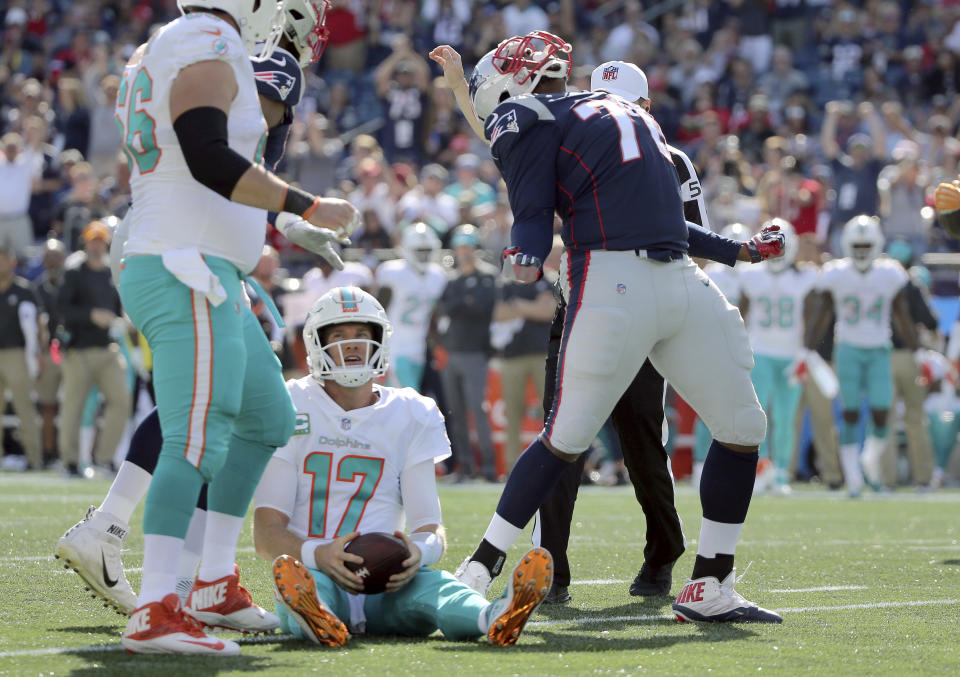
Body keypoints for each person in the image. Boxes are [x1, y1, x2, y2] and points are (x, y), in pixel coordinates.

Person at [451, 31, 782, 624]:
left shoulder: (525, 117)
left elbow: (531, 220)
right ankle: (480, 566)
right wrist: (739, 252)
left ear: (512, 79)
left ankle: (709, 583)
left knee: (575, 436)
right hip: (667, 280)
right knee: (715, 429)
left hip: (619, 282)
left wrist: (523, 257)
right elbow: (665, 223)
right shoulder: (628, 115)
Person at [54, 3, 341, 640]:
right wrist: (302, 207)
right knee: (195, 431)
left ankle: (209, 580)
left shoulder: (187, 41)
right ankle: (158, 604)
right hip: (186, 255)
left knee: (265, 415)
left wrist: (285, 219)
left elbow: (221, 160)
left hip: (201, 250)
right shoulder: (215, 42)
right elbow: (214, 157)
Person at [252, 286, 552, 647]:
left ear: (379, 341)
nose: (351, 345)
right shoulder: (291, 403)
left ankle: (494, 616)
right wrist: (320, 554)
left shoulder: (412, 411)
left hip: (387, 580)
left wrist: (417, 553)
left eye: (362, 335)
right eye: (338, 335)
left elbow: (430, 527)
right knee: (303, 589)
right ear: (317, 343)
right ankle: (318, 615)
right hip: (316, 570)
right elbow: (267, 532)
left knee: (437, 587)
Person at [803, 216, 919, 497]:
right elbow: (820, 312)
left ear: (877, 243)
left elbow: (902, 313)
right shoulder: (837, 273)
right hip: (849, 349)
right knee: (850, 413)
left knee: (881, 412)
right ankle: (854, 479)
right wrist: (807, 347)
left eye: (867, 244)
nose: (863, 250)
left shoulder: (889, 273)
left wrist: (916, 349)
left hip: (880, 347)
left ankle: (869, 461)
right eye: (858, 244)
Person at [738, 220, 818, 494]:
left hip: (790, 356)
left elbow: (811, 318)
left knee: (786, 419)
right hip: (759, 352)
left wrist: (805, 353)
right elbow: (739, 314)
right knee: (760, 417)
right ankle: (761, 470)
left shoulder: (804, 278)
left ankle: (782, 472)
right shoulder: (751, 276)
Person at [56, 221, 130, 476]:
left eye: (101, 240)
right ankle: (71, 461)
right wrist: (91, 315)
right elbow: (62, 309)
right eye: (93, 240)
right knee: (73, 407)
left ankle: (104, 458)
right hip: (80, 350)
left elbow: (120, 308)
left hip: (108, 348)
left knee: (121, 401)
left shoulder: (112, 273)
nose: (97, 245)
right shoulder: (75, 272)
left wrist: (122, 320)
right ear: (86, 243)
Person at [435, 224, 498, 481]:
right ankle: (466, 468)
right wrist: (465, 302)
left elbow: (482, 307)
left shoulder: (488, 277)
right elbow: (447, 307)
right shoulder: (452, 279)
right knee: (456, 413)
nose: (464, 252)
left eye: (468, 247)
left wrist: (463, 303)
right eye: (460, 247)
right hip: (453, 352)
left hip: (476, 352)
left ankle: (490, 469)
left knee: (477, 410)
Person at [375, 222, 447, 390]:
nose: (423, 256)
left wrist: (438, 346)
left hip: (419, 348)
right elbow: (378, 311)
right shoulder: (393, 273)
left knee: (409, 400)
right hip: (395, 349)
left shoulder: (438, 275)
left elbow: (435, 316)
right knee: (408, 398)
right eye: (419, 251)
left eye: (427, 251)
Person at [0, 240, 42, 470]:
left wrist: (38, 354)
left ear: (12, 262)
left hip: (16, 354)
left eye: (3, 258)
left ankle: (34, 458)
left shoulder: (24, 289)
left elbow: (37, 324)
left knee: (24, 407)